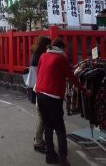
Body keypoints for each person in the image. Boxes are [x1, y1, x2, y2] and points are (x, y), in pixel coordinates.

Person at [36, 38, 92, 166]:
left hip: (40, 94)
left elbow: (40, 74)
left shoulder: (43, 56)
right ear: (61, 48)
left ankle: (50, 156)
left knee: (48, 127)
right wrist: (84, 90)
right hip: (53, 98)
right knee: (60, 129)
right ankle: (62, 159)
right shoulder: (61, 58)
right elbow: (71, 77)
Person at [29, 36, 51, 153]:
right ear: (45, 45)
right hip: (41, 88)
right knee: (43, 118)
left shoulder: (35, 53)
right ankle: (38, 142)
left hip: (36, 87)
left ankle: (38, 138)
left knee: (41, 117)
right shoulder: (41, 56)